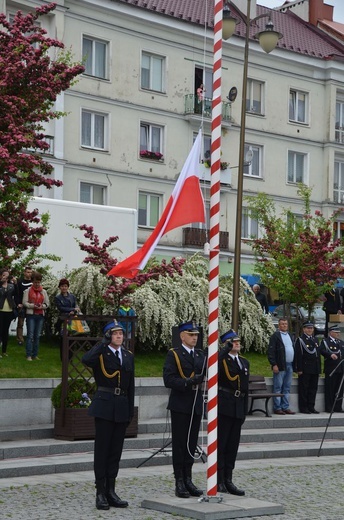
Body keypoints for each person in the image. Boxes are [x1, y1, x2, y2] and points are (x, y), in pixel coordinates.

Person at [82, 320, 134, 511]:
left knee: (115, 452)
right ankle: (100, 491)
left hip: (121, 406)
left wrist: (130, 411)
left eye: (121, 333)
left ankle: (111, 490)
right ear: (107, 336)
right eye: (115, 333)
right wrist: (102, 344)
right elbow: (85, 360)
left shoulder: (128, 356)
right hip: (104, 406)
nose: (119, 336)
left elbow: (131, 386)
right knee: (102, 450)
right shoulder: (101, 353)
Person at [163, 321, 206, 498]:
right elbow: (169, 380)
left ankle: (188, 478)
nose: (194, 338)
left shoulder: (200, 355)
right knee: (180, 444)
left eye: (196, 335)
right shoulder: (174, 354)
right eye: (191, 335)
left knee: (191, 443)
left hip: (195, 403)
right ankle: (179, 480)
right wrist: (188, 382)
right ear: (182, 336)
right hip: (180, 403)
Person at [217, 329, 249, 496]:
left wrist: (245, 409)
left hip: (238, 406)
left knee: (232, 446)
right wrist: (224, 350)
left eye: (237, 341)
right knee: (222, 445)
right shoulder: (222, 361)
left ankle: (229, 478)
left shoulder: (244, 362)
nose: (236, 343)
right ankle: (219, 479)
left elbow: (245, 388)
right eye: (232, 341)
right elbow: (213, 363)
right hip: (225, 406)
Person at [267, 317, 295, 415]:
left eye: (286, 324)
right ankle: (277, 407)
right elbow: (271, 351)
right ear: (279, 325)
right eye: (282, 324)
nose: (284, 325)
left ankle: (285, 406)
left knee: (287, 387)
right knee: (278, 387)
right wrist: (274, 364)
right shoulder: (275, 336)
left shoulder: (290, 335)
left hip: (290, 365)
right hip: (280, 365)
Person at [294, 322, 321, 414]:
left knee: (313, 389)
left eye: (311, 328)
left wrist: (319, 369)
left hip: (315, 368)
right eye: (308, 328)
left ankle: (311, 406)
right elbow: (298, 355)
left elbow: (317, 356)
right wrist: (299, 368)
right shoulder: (301, 340)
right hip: (305, 368)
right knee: (304, 389)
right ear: (304, 329)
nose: (310, 330)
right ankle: (304, 407)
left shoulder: (315, 340)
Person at [22, 271, 49, 361]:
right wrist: (33, 305)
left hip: (40, 315)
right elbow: (24, 302)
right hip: (31, 315)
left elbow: (47, 303)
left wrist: (42, 306)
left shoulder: (43, 291)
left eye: (38, 282)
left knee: (37, 335)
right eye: (35, 282)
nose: (37, 284)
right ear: (32, 281)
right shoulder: (28, 291)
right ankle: (28, 355)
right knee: (30, 335)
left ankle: (35, 354)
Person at [320, 325, 344, 413]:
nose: (338, 334)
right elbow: (322, 350)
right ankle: (329, 407)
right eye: (336, 332)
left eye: (338, 332)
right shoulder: (325, 342)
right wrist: (330, 355)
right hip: (331, 369)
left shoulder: (341, 342)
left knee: (339, 389)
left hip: (341, 369)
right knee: (330, 389)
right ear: (331, 332)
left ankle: (338, 407)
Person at [0, 268, 17, 358]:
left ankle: (4, 351)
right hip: (0, 311)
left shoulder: (11, 285)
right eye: (4, 275)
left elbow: (16, 293)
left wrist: (16, 283)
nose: (6, 277)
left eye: (7, 275)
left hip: (9, 311)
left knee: (5, 332)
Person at [15, 266, 33, 345]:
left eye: (30, 272)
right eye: (28, 272)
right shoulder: (20, 281)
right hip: (22, 305)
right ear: (24, 273)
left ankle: (30, 338)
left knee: (30, 322)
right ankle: (20, 339)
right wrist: (18, 303)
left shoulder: (33, 282)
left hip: (30, 305)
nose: (29, 274)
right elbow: (17, 293)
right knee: (20, 323)